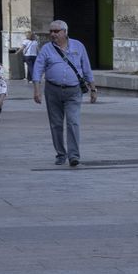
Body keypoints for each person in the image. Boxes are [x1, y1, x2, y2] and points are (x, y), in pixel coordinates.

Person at [32, 19, 95, 167]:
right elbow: (37, 69)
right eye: (51, 31)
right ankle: (61, 154)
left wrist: (93, 89)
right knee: (56, 124)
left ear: (65, 32)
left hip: (73, 91)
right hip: (52, 90)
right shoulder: (46, 49)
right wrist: (37, 90)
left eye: (56, 31)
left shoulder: (78, 46)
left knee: (73, 122)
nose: (53, 34)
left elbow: (86, 68)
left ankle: (74, 156)